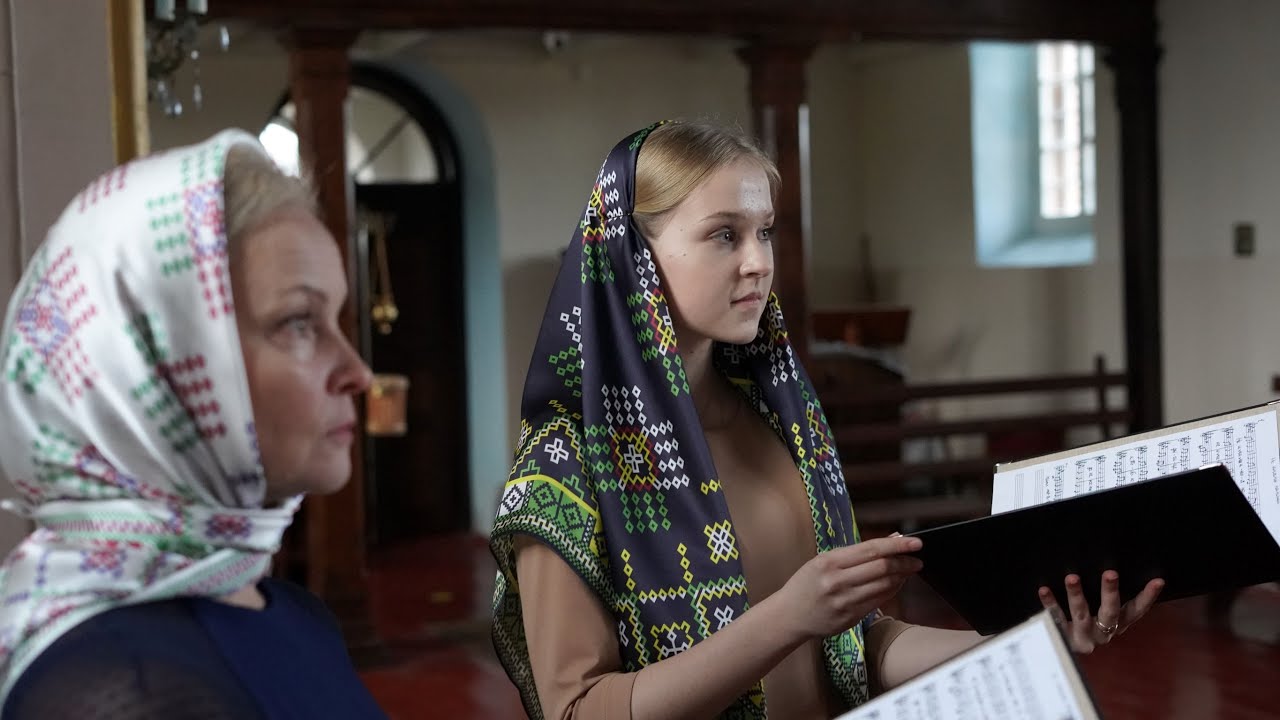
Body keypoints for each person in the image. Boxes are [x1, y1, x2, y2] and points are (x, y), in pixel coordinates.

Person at [489, 120, 1164, 720]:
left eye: (764, 232)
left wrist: (1027, 639)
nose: (759, 263)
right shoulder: (566, 462)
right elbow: (578, 709)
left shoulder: (782, 422)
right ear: (631, 254)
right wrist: (787, 617)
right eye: (724, 235)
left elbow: (852, 647)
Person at [0, 131, 388, 719]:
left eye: (335, 318)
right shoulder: (125, 689)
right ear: (154, 369)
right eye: (298, 322)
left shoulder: (289, 611)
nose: (358, 372)